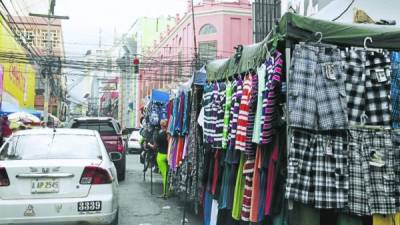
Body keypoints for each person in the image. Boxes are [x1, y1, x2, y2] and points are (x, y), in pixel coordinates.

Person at [148, 119, 169, 198]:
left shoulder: (159, 135)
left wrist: (149, 144)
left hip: (161, 156)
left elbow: (154, 147)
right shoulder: (169, 134)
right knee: (168, 174)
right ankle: (168, 191)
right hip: (169, 156)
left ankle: (165, 193)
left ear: (161, 126)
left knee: (164, 175)